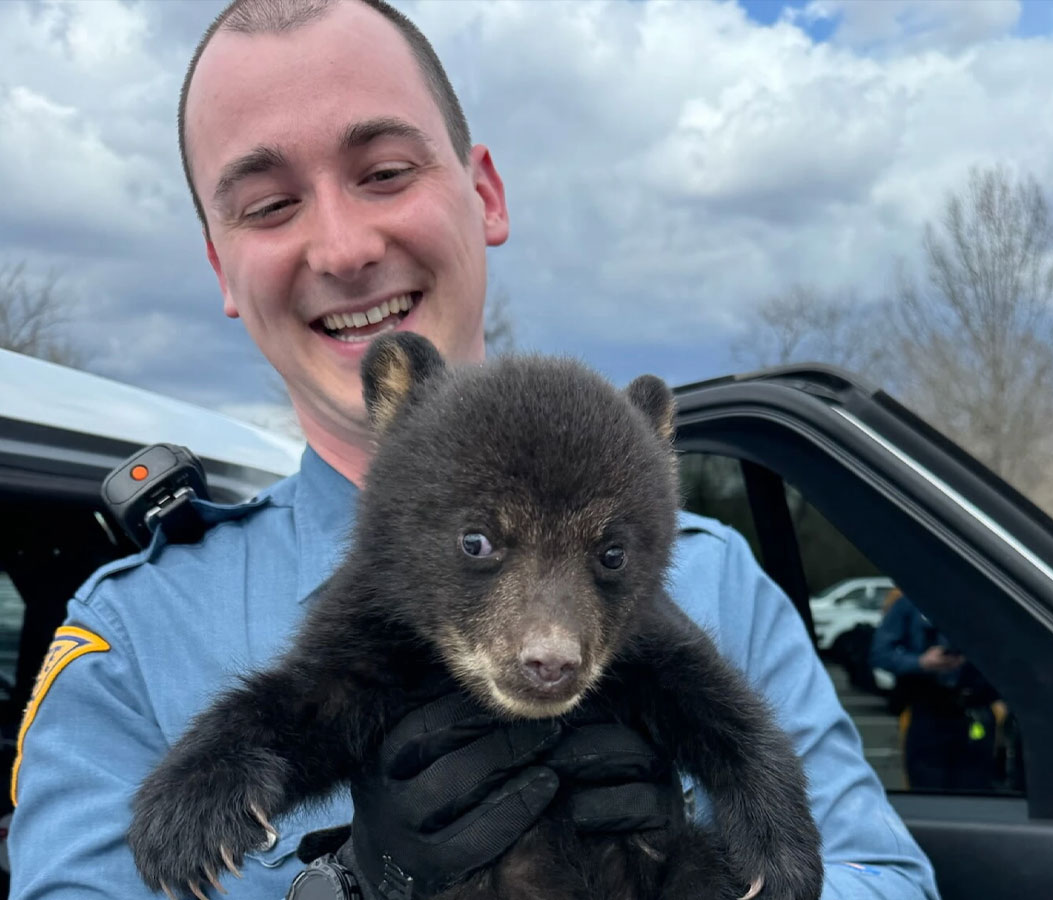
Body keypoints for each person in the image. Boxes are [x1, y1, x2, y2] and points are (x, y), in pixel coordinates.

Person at [8, 1, 939, 897]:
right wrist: (343, 892)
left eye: (384, 172)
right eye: (270, 203)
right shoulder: (133, 640)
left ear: (485, 192)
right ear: (219, 262)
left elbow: (882, 878)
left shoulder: (717, 581)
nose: (343, 248)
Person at [869, 592, 998, 793]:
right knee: (928, 793)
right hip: (929, 712)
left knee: (976, 794)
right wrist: (921, 662)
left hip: (976, 711)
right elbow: (880, 653)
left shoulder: (989, 603)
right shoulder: (910, 604)